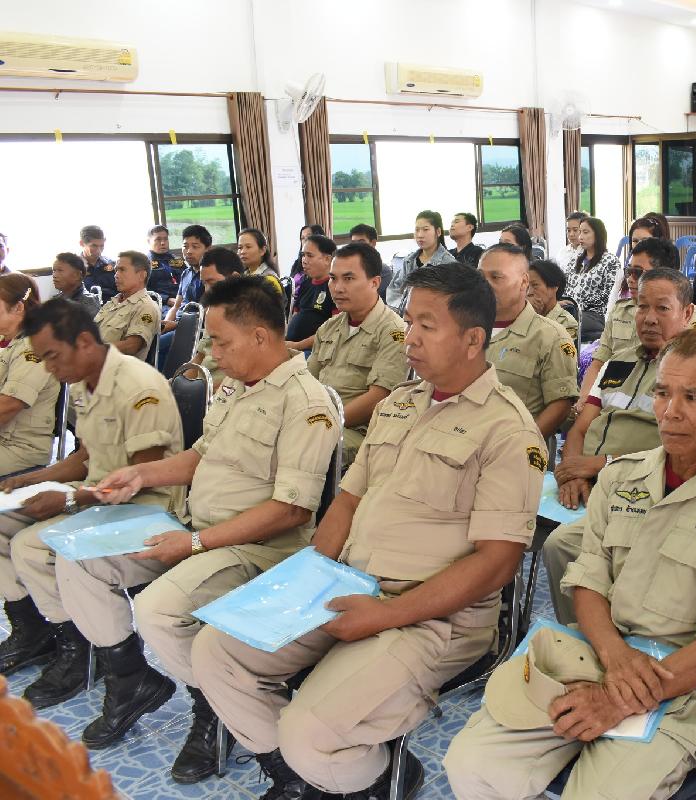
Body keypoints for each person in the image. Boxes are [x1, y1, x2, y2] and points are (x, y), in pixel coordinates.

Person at [191, 263, 545, 799]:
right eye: (409, 320)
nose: (410, 336)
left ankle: (374, 780)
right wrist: (310, 580)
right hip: (347, 585)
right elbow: (348, 500)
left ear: (473, 340)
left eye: (426, 325)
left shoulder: (508, 430)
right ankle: (303, 776)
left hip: (429, 616)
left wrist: (385, 614)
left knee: (308, 731)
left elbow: (496, 563)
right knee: (216, 652)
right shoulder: (400, 402)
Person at [444, 327, 696, 800]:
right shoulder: (621, 479)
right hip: (598, 654)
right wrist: (613, 656)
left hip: (686, 687)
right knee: (472, 766)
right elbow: (588, 580)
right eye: (663, 393)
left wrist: (615, 698)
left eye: (692, 397)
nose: (670, 411)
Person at [86, 275, 340, 779]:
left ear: (260, 337)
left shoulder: (306, 403)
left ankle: (221, 711)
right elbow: (200, 456)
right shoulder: (235, 387)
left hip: (257, 550)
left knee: (158, 612)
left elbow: (291, 511)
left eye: (221, 342)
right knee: (88, 559)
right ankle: (145, 683)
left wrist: (195, 543)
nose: (212, 353)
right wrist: (141, 475)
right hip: (198, 530)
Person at [0, 298, 184, 713]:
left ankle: (94, 655)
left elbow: (144, 475)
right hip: (97, 497)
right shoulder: (86, 382)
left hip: (145, 508)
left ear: (84, 342)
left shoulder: (138, 387)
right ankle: (41, 632)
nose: (49, 368)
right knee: (4, 522)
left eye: (52, 356)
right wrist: (33, 479)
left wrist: (68, 498)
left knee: (32, 547)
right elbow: (85, 457)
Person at [544, 269, 696, 623]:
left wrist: (601, 464)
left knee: (562, 545)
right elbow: (581, 428)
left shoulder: (693, 370)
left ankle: (601, 636)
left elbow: (682, 451)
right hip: (593, 479)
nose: (649, 318)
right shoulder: (619, 361)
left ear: (687, 313)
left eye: (662, 308)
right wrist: (573, 473)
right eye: (642, 307)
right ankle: (581, 635)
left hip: (648, 489)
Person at [306, 242, 410, 467]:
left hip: (358, 431)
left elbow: (379, 398)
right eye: (333, 278)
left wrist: (322, 421)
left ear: (375, 283)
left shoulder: (393, 332)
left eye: (348, 278)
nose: (338, 288)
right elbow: (305, 383)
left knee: (300, 447)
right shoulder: (329, 327)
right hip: (317, 422)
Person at [577, 238, 696, 411]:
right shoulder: (620, 309)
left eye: (637, 272)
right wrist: (585, 399)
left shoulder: (685, 316)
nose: (630, 278)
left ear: (662, 274)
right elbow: (599, 361)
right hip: (610, 394)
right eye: (628, 271)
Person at [481, 243, 578, 437]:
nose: (485, 285)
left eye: (496, 277)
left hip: (511, 444)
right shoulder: (465, 329)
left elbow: (560, 405)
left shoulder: (550, 336)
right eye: (481, 277)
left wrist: (523, 443)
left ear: (523, 282)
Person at [0, 276, 59, 477]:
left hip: (18, 448)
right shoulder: (9, 341)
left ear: (18, 308)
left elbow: (8, 406)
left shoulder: (33, 348)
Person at [184, 247, 245, 391]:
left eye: (212, 283)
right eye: (204, 283)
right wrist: (178, 384)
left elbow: (243, 378)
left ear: (235, 278)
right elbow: (199, 357)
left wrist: (199, 393)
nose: (207, 291)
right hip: (200, 386)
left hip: (222, 392)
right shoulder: (214, 310)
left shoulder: (252, 314)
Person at [158, 225, 212, 372]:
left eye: (195, 247)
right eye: (185, 246)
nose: (189, 251)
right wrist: (166, 323)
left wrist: (175, 325)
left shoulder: (209, 276)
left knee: (158, 345)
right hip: (179, 325)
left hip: (194, 329)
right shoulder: (185, 273)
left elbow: (205, 313)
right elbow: (177, 305)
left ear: (207, 249)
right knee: (152, 338)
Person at [94, 251, 163, 362]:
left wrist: (94, 350)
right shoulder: (112, 303)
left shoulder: (146, 307)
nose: (116, 275)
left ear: (141, 275)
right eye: (116, 270)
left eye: (122, 270)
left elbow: (132, 346)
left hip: (114, 369)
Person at [386, 211, 458, 314]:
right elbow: (395, 289)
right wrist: (404, 308)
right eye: (417, 230)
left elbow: (450, 299)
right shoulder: (409, 261)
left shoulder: (449, 263)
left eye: (425, 229)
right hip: (405, 315)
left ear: (438, 232)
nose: (420, 235)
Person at [564, 217, 621, 342]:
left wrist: (576, 304)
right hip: (571, 311)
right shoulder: (575, 259)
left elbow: (608, 295)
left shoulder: (610, 261)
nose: (580, 237)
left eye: (585, 232)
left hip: (595, 314)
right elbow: (565, 286)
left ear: (598, 234)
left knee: (563, 322)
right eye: (580, 232)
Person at [284, 234, 336, 346]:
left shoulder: (335, 287)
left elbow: (334, 329)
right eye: (303, 255)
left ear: (327, 259)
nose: (304, 260)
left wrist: (298, 345)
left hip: (315, 349)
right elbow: (295, 315)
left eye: (309, 255)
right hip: (292, 345)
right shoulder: (305, 284)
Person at [528, 259, 578, 341]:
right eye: (526, 286)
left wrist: (538, 319)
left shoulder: (567, 323)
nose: (529, 292)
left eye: (535, 285)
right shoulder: (524, 315)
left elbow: (559, 348)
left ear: (554, 287)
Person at [236, 227, 286, 306]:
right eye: (240, 248)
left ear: (262, 250)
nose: (242, 252)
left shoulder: (269, 280)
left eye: (248, 247)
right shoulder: (246, 274)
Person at [349, 223, 391, 302]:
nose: (357, 246)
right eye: (354, 243)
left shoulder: (383, 270)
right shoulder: (349, 267)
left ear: (373, 243)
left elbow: (367, 296)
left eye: (361, 242)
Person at [146, 225, 184, 306]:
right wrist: (166, 299)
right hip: (160, 303)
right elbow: (142, 291)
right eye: (158, 239)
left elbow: (188, 279)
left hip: (182, 300)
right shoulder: (144, 263)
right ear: (149, 241)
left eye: (165, 239)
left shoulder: (177, 260)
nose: (163, 243)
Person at [79, 225, 117, 303]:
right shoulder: (73, 267)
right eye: (94, 246)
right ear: (82, 243)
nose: (99, 250)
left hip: (111, 306)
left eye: (101, 246)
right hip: (84, 307)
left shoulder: (112, 265)